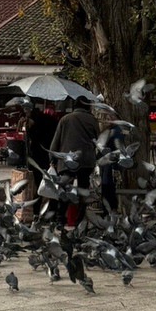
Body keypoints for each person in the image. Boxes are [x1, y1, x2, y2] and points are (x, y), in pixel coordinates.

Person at [50, 95, 98, 228]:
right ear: (87, 106)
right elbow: (97, 140)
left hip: (68, 161)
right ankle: (79, 220)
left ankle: (61, 219)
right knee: (83, 189)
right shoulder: (92, 120)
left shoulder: (65, 119)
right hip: (86, 160)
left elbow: (56, 140)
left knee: (65, 188)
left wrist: (52, 159)